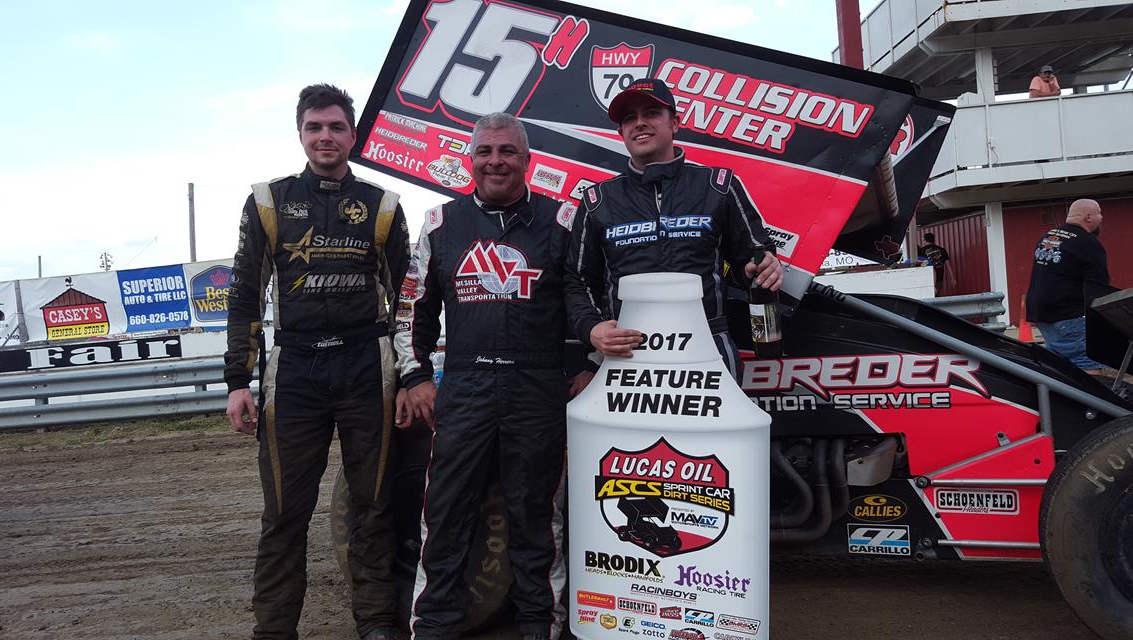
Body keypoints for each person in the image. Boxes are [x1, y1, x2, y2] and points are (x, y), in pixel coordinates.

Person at [224, 83, 411, 640]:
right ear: (300, 134)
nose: (325, 136)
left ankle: (376, 624)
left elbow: (407, 302)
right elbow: (243, 294)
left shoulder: (383, 205)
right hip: (295, 371)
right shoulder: (267, 201)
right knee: (284, 514)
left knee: (373, 507)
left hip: (367, 367)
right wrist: (237, 381)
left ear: (353, 136)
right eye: (314, 127)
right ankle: (274, 630)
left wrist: (411, 375)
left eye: (336, 127)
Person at [395, 113, 583, 640]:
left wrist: (589, 366)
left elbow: (588, 299)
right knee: (445, 515)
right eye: (485, 151)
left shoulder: (563, 220)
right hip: (466, 388)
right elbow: (412, 309)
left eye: (507, 151)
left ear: (528, 160)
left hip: (536, 389)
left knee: (536, 518)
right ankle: (434, 627)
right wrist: (415, 377)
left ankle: (539, 626)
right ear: (470, 159)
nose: (495, 161)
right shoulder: (441, 223)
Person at [565, 78, 783, 376]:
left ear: (675, 123)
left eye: (652, 113)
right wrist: (591, 328)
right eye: (629, 118)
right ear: (621, 133)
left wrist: (766, 267)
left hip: (708, 346)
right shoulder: (597, 200)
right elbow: (578, 281)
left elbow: (754, 261)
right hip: (629, 350)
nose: (639, 123)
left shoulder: (718, 186)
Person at [1025, 198, 1109, 373]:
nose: (1101, 218)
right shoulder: (1088, 243)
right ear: (1088, 217)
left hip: (1041, 313)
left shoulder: (1048, 236)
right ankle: (1088, 392)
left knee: (1059, 365)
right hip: (1069, 314)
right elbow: (1098, 288)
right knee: (1087, 360)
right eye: (1099, 213)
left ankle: (1056, 390)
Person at [918, 232, 951, 296]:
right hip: (940, 276)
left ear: (925, 240)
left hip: (928, 277)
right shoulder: (942, 249)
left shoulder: (922, 250)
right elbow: (948, 264)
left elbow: (921, 264)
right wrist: (952, 278)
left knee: (930, 295)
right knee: (938, 294)